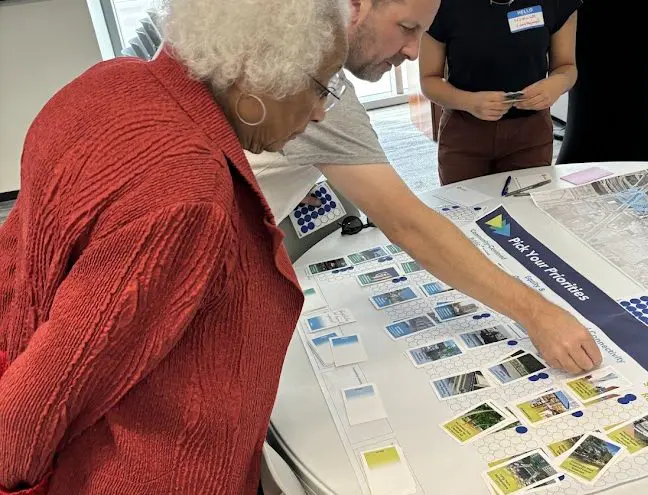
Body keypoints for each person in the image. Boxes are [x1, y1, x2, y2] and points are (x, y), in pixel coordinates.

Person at [0, 0, 348, 492]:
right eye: (320, 86)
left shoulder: (111, 79)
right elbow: (43, 396)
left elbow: (15, 254)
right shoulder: (186, 192)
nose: (318, 113)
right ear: (256, 70)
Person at [250, 0, 601, 372]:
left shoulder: (268, 45)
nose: (414, 51)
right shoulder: (322, 91)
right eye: (406, 27)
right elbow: (409, 225)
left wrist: (288, 166)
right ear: (355, 7)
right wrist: (537, 314)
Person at [418, 0, 581, 184]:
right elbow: (429, 80)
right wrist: (469, 101)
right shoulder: (442, 5)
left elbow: (566, 67)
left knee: (525, 208)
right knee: (462, 208)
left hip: (530, 133)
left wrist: (555, 85)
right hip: (465, 130)